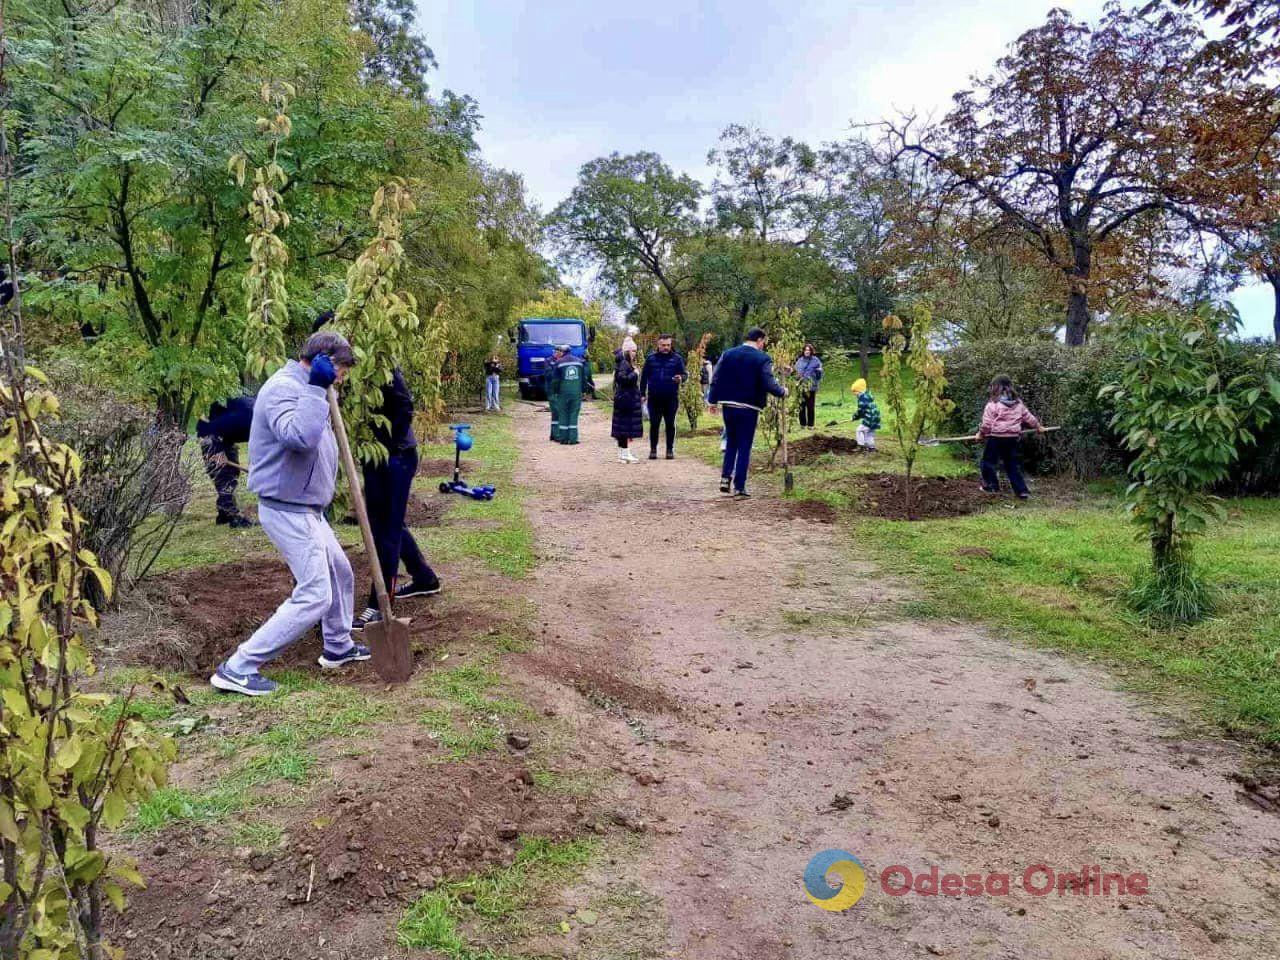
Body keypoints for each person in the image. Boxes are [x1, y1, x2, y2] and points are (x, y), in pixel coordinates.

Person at [211, 331, 368, 697]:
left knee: (340, 573)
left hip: (307, 507)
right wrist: (316, 390)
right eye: (342, 368)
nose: (343, 377)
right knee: (315, 593)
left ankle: (338, 646)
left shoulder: (311, 385)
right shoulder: (285, 388)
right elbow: (298, 437)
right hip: (286, 508)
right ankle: (238, 667)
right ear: (324, 361)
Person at [708, 327, 788, 498]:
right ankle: (739, 487)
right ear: (759, 340)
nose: (763, 346)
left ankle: (724, 479)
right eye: (763, 342)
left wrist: (712, 401)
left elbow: (716, 377)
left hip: (728, 405)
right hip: (749, 407)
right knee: (744, 446)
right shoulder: (762, 358)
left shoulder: (728, 354)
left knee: (731, 442)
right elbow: (768, 382)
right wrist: (782, 391)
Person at [978, 375, 1044, 500]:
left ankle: (991, 486)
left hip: (996, 437)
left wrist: (981, 434)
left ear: (995, 387)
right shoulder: (1018, 403)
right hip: (1012, 438)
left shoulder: (993, 404)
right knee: (1011, 464)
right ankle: (1022, 491)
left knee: (988, 462)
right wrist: (1038, 426)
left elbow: (986, 424)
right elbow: (1028, 417)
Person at [196, 395, 256, 527]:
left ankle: (224, 513)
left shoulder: (259, 412)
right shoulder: (253, 417)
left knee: (232, 472)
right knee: (224, 475)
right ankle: (232, 517)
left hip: (225, 434)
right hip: (209, 433)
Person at [639, 334, 686, 460]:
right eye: (663, 345)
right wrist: (642, 394)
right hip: (654, 398)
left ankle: (669, 450)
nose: (666, 347)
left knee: (670, 424)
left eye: (668, 345)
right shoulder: (650, 359)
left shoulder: (677, 359)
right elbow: (643, 378)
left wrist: (681, 378)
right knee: (654, 424)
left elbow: (684, 374)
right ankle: (653, 450)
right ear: (658, 345)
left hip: (671, 398)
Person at [551, 344, 593, 445]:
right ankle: (573, 439)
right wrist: (584, 391)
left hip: (563, 393)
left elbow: (556, 380)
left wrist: (555, 392)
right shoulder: (579, 362)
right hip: (576, 393)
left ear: (562, 352)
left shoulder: (558, 362)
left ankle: (563, 439)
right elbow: (584, 379)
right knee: (574, 414)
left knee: (563, 414)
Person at [611, 338, 644, 463]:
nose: (635, 353)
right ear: (627, 351)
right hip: (626, 399)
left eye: (635, 350)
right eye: (633, 351)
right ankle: (625, 453)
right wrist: (635, 374)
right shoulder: (625, 363)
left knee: (621, 427)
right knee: (625, 427)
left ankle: (622, 453)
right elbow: (622, 379)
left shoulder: (623, 362)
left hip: (624, 398)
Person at [794, 343, 823, 429]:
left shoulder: (816, 360)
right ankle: (802, 424)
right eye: (805, 350)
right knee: (801, 406)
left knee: (810, 406)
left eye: (808, 350)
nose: (807, 352)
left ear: (811, 351)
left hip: (811, 387)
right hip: (801, 386)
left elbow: (819, 376)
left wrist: (819, 371)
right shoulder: (799, 360)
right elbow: (795, 373)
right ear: (803, 351)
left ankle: (810, 425)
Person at [850, 378, 881, 450]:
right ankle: (871, 448)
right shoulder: (868, 396)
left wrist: (854, 417)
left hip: (869, 419)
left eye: (855, 391)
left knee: (859, 430)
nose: (854, 393)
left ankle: (861, 446)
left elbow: (860, 411)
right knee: (869, 434)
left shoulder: (862, 399)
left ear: (859, 391)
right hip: (876, 418)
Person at [544, 346, 565, 442]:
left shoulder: (563, 361)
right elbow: (548, 374)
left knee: (558, 412)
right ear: (554, 352)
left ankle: (554, 434)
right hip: (552, 390)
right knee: (556, 411)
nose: (559, 353)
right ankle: (556, 434)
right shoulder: (548, 361)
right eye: (558, 351)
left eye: (561, 352)